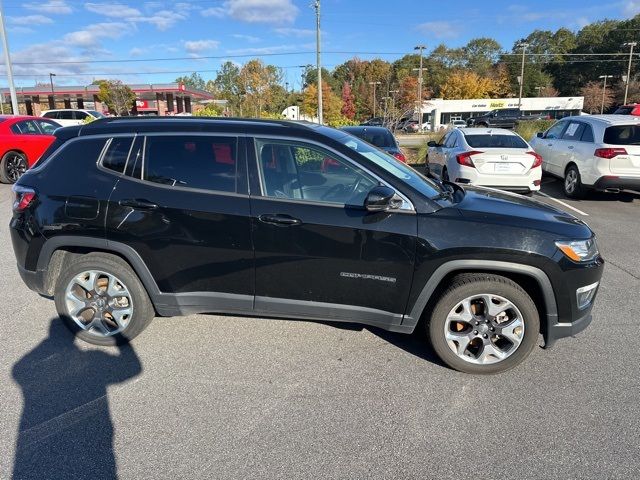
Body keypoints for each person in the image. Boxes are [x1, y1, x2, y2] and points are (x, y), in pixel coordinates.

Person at [12, 319, 142, 479]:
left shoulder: (27, 366)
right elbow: (133, 369)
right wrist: (119, 335)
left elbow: (18, 371)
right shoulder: (93, 357)